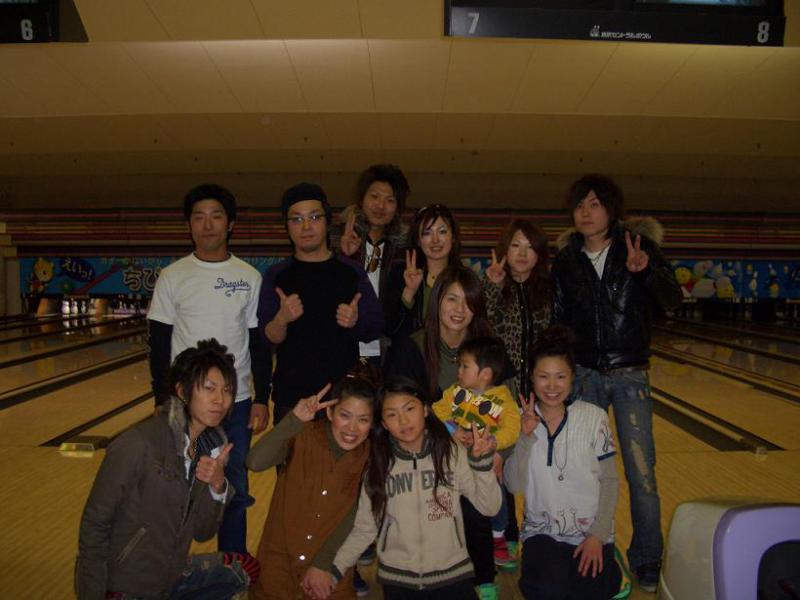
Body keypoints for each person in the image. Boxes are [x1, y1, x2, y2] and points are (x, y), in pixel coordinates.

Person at [551, 174, 682, 591]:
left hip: (630, 375)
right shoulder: (566, 260)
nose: (586, 213)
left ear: (611, 209)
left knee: (642, 475)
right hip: (584, 376)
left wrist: (645, 274)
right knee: (581, 471)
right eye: (579, 205)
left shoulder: (637, 247)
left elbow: (672, 301)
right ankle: (582, 546)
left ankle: (647, 558)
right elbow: (558, 320)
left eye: (594, 204)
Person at [147, 183, 270, 557]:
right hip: (185, 405)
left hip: (236, 403)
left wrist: (262, 397)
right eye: (199, 217)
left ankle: (232, 561)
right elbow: (159, 342)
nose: (207, 224)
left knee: (234, 486)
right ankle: (172, 563)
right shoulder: (173, 276)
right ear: (189, 225)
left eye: (216, 216)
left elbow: (259, 343)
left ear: (230, 223)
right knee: (175, 487)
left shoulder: (249, 277)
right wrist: (162, 398)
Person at [76, 340, 250, 600]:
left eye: (227, 390)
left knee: (243, 571)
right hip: (123, 586)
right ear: (182, 391)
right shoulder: (138, 443)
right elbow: (94, 523)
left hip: (167, 581)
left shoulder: (208, 449)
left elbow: (203, 532)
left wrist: (217, 486)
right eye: (209, 388)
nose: (220, 400)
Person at [323, 377, 502, 600]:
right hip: (398, 581)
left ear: (425, 409)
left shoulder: (451, 452)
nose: (403, 420)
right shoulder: (379, 465)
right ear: (384, 423)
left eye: (409, 409)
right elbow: (365, 528)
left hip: (453, 575)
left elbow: (489, 507)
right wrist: (333, 571)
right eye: (392, 415)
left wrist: (482, 466)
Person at [384, 265, 502, 600]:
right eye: (452, 299)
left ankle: (483, 575)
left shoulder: (487, 350)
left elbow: (504, 405)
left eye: (468, 301)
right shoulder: (412, 347)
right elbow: (399, 407)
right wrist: (447, 434)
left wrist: (497, 450)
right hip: (425, 452)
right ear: (436, 302)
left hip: (476, 450)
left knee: (478, 484)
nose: (459, 309)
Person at [505, 325, 622, 600]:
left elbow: (610, 480)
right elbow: (513, 485)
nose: (552, 386)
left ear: (572, 378)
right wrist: (525, 437)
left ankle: (613, 567)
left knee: (589, 592)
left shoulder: (594, 417)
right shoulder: (519, 419)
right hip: (542, 533)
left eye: (560, 377)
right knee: (549, 592)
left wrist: (598, 535)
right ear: (531, 377)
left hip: (591, 532)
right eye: (543, 376)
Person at [258, 182, 383, 424]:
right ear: (287, 226)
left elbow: (374, 327)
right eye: (297, 219)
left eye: (314, 217)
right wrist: (281, 319)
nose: (306, 226)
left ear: (327, 222)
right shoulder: (276, 275)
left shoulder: (351, 272)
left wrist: (355, 322)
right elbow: (268, 337)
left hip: (344, 401)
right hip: (292, 400)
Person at [246, 370, 377, 600]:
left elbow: (356, 518)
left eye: (363, 420)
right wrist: (294, 419)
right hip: (278, 564)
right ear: (329, 412)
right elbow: (255, 462)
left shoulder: (372, 459)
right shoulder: (303, 435)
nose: (352, 428)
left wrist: (324, 564)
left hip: (327, 570)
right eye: (345, 415)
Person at [482, 218, 551, 567]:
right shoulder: (494, 286)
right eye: (515, 246)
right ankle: (506, 535)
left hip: (541, 394)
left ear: (539, 254)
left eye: (530, 247)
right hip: (503, 394)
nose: (522, 253)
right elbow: (482, 328)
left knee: (538, 469)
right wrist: (493, 287)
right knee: (503, 467)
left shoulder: (547, 292)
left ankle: (536, 534)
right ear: (505, 251)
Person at [432, 336, 521, 573]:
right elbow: (437, 410)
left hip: (485, 462)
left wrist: (494, 442)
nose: (458, 371)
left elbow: (513, 428)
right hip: (455, 462)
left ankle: (498, 535)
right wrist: (453, 428)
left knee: (497, 495)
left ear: (485, 374)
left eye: (464, 366)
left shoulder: (503, 399)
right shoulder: (455, 392)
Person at [334, 164, 411, 363]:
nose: (380, 206)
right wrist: (345, 256)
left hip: (388, 347)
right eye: (374, 196)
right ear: (362, 199)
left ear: (398, 208)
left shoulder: (405, 249)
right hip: (343, 342)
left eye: (390, 200)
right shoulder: (337, 237)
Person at [388, 204, 462, 336]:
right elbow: (390, 329)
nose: (435, 240)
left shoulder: (464, 278)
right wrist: (409, 292)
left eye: (442, 232)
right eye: (427, 233)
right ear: (418, 239)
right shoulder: (400, 274)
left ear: (453, 237)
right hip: (412, 348)